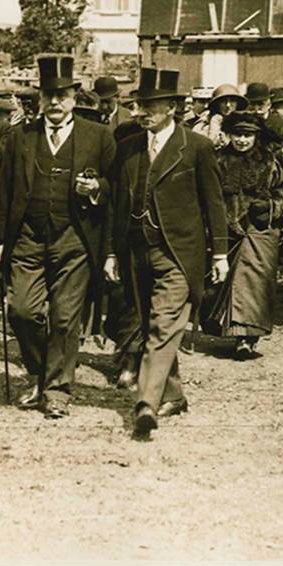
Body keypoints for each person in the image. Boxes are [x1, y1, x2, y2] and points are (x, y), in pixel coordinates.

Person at [107, 68, 228, 438]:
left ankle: (147, 403)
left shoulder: (196, 147)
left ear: (172, 108)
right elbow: (116, 204)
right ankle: (174, 393)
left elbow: (214, 204)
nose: (142, 112)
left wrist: (220, 254)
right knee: (150, 325)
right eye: (139, 105)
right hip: (136, 253)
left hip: (178, 254)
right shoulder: (126, 147)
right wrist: (113, 253)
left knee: (162, 324)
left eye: (151, 106)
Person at [0, 56, 116, 418]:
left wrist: (97, 187)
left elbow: (116, 187)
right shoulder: (21, 137)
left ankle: (57, 390)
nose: (55, 103)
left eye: (62, 95)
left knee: (65, 319)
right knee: (21, 310)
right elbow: (5, 192)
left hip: (75, 239)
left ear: (75, 97)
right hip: (28, 237)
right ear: (40, 99)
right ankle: (40, 373)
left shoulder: (98, 136)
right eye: (48, 96)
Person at [203, 111, 283, 358]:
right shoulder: (218, 161)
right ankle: (225, 329)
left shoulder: (269, 162)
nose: (241, 140)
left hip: (259, 232)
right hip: (225, 232)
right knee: (220, 284)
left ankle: (247, 338)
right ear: (228, 135)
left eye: (247, 135)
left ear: (256, 136)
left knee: (253, 284)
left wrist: (270, 206)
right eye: (237, 134)